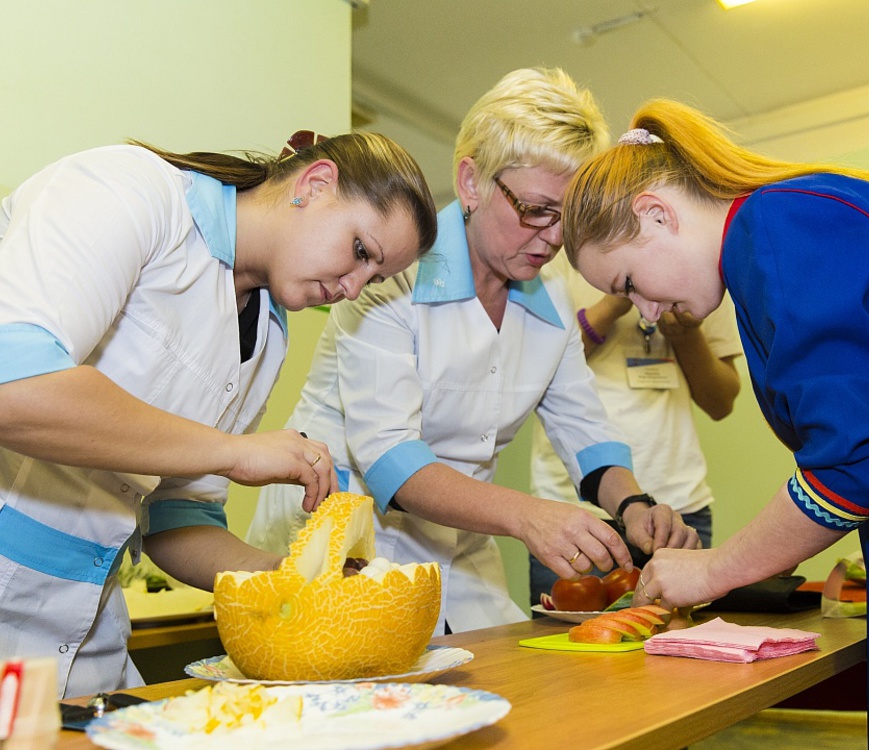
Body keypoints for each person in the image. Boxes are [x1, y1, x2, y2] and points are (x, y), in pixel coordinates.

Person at [561, 99, 869, 749]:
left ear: (654, 214)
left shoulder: (771, 227)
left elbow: (852, 464)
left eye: (628, 284)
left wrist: (714, 570)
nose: (645, 312)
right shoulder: (783, 224)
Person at [246, 69, 701, 635]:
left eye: (568, 217)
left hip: (460, 548)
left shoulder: (553, 296)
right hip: (339, 535)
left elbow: (584, 431)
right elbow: (389, 459)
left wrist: (635, 506)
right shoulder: (388, 273)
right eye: (537, 209)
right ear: (471, 183)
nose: (554, 237)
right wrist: (528, 515)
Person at [0, 130, 437, 697]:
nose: (353, 288)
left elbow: (175, 518)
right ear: (315, 183)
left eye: (372, 278)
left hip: (83, 635)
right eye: (360, 251)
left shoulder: (267, 336)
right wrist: (235, 452)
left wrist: (297, 582)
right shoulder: (134, 191)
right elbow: (15, 385)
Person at [527, 250, 741, 605]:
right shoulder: (555, 256)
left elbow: (721, 403)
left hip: (679, 505)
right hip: (572, 509)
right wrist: (619, 298)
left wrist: (686, 335)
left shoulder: (695, 260)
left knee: (682, 655)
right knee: (572, 655)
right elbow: (535, 375)